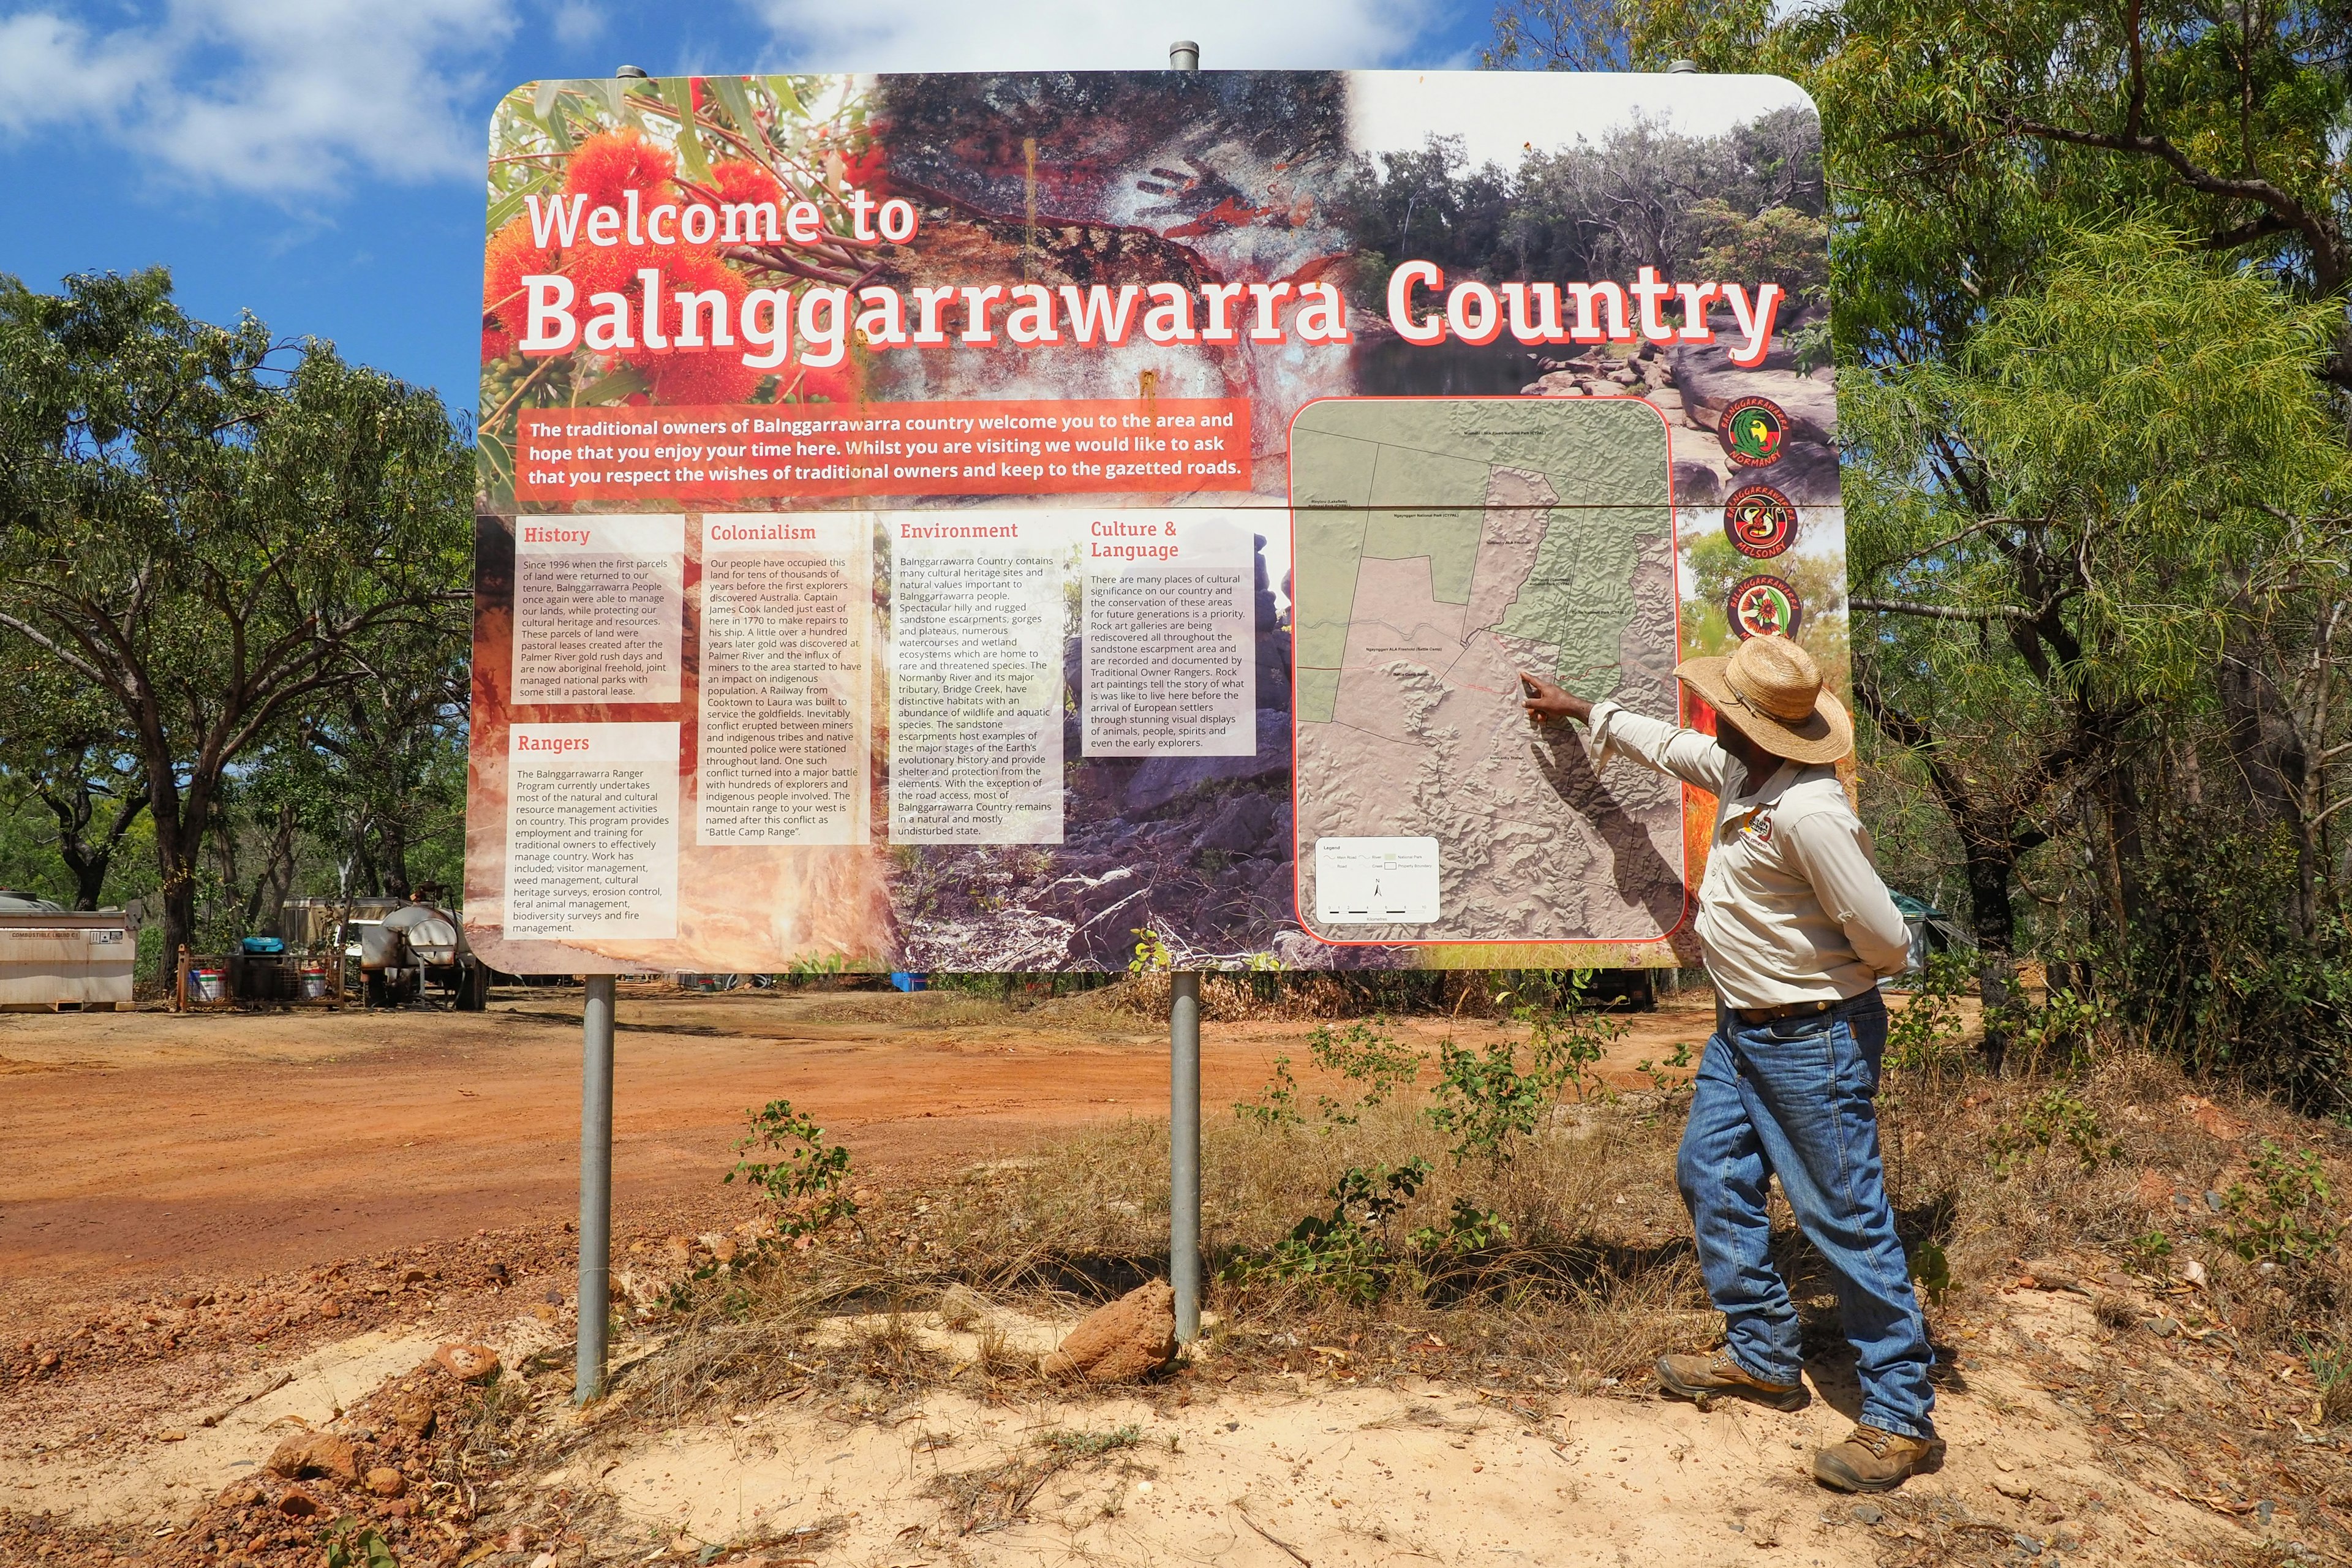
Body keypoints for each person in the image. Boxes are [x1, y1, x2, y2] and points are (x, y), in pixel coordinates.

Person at [1519, 633, 1940, 1494]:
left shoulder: (1810, 814)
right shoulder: (1751, 777)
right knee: (1709, 1173)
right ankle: (1764, 1357)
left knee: (1846, 1219)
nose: (1709, 714)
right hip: (1744, 1032)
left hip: (1811, 1038)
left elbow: (1891, 942)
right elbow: (1673, 749)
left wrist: (1818, 978)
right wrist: (1581, 711)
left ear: (1748, 719)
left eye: (1724, 707)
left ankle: (1901, 1416)